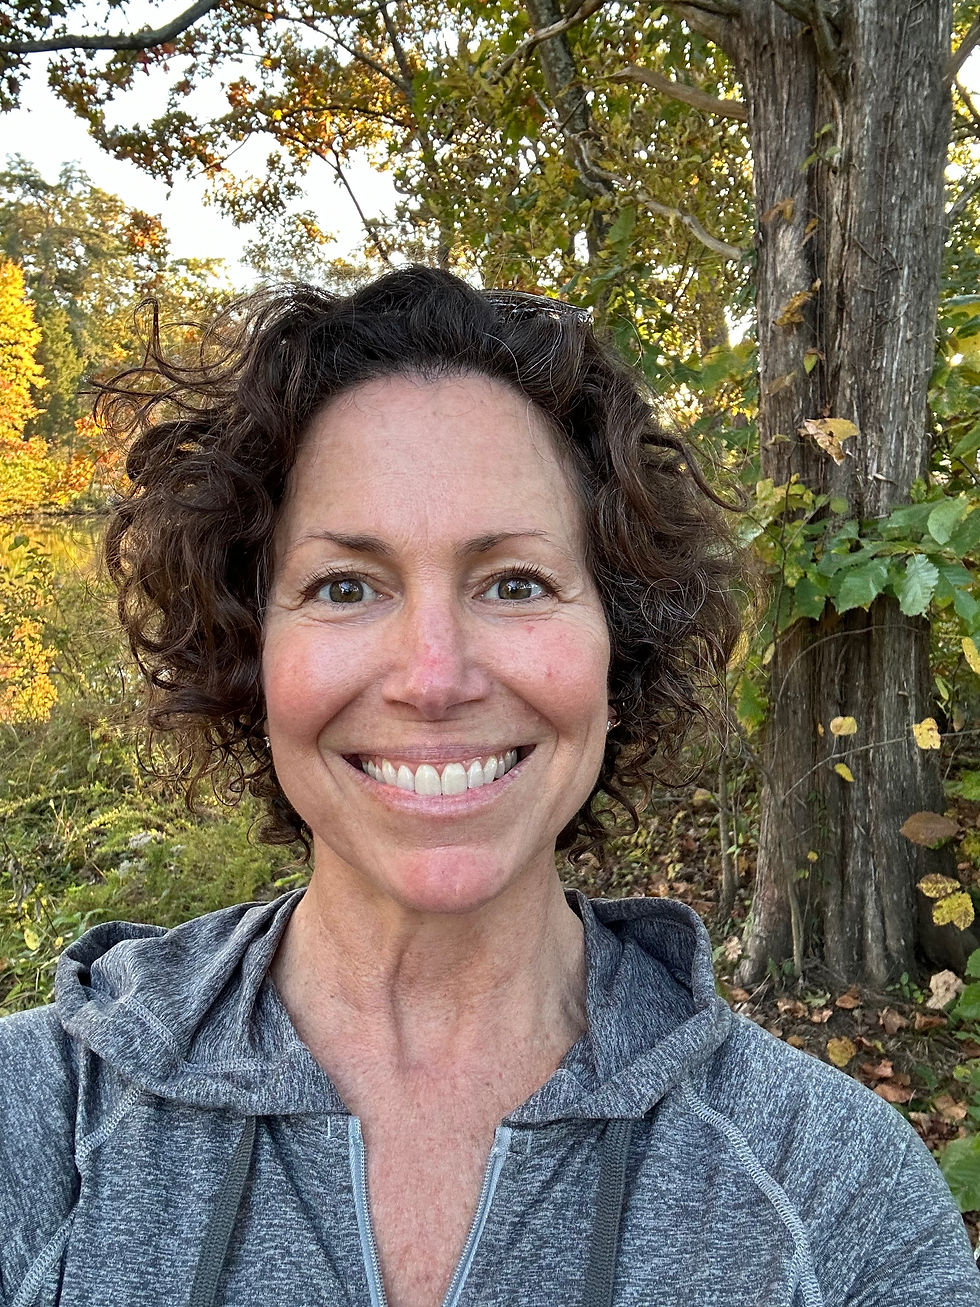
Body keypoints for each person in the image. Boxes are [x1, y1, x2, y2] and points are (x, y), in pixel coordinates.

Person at [0, 266, 977, 1307]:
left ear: (618, 645)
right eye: (344, 585)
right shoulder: (39, 1122)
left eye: (514, 582)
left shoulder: (832, 1191)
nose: (433, 675)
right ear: (250, 653)